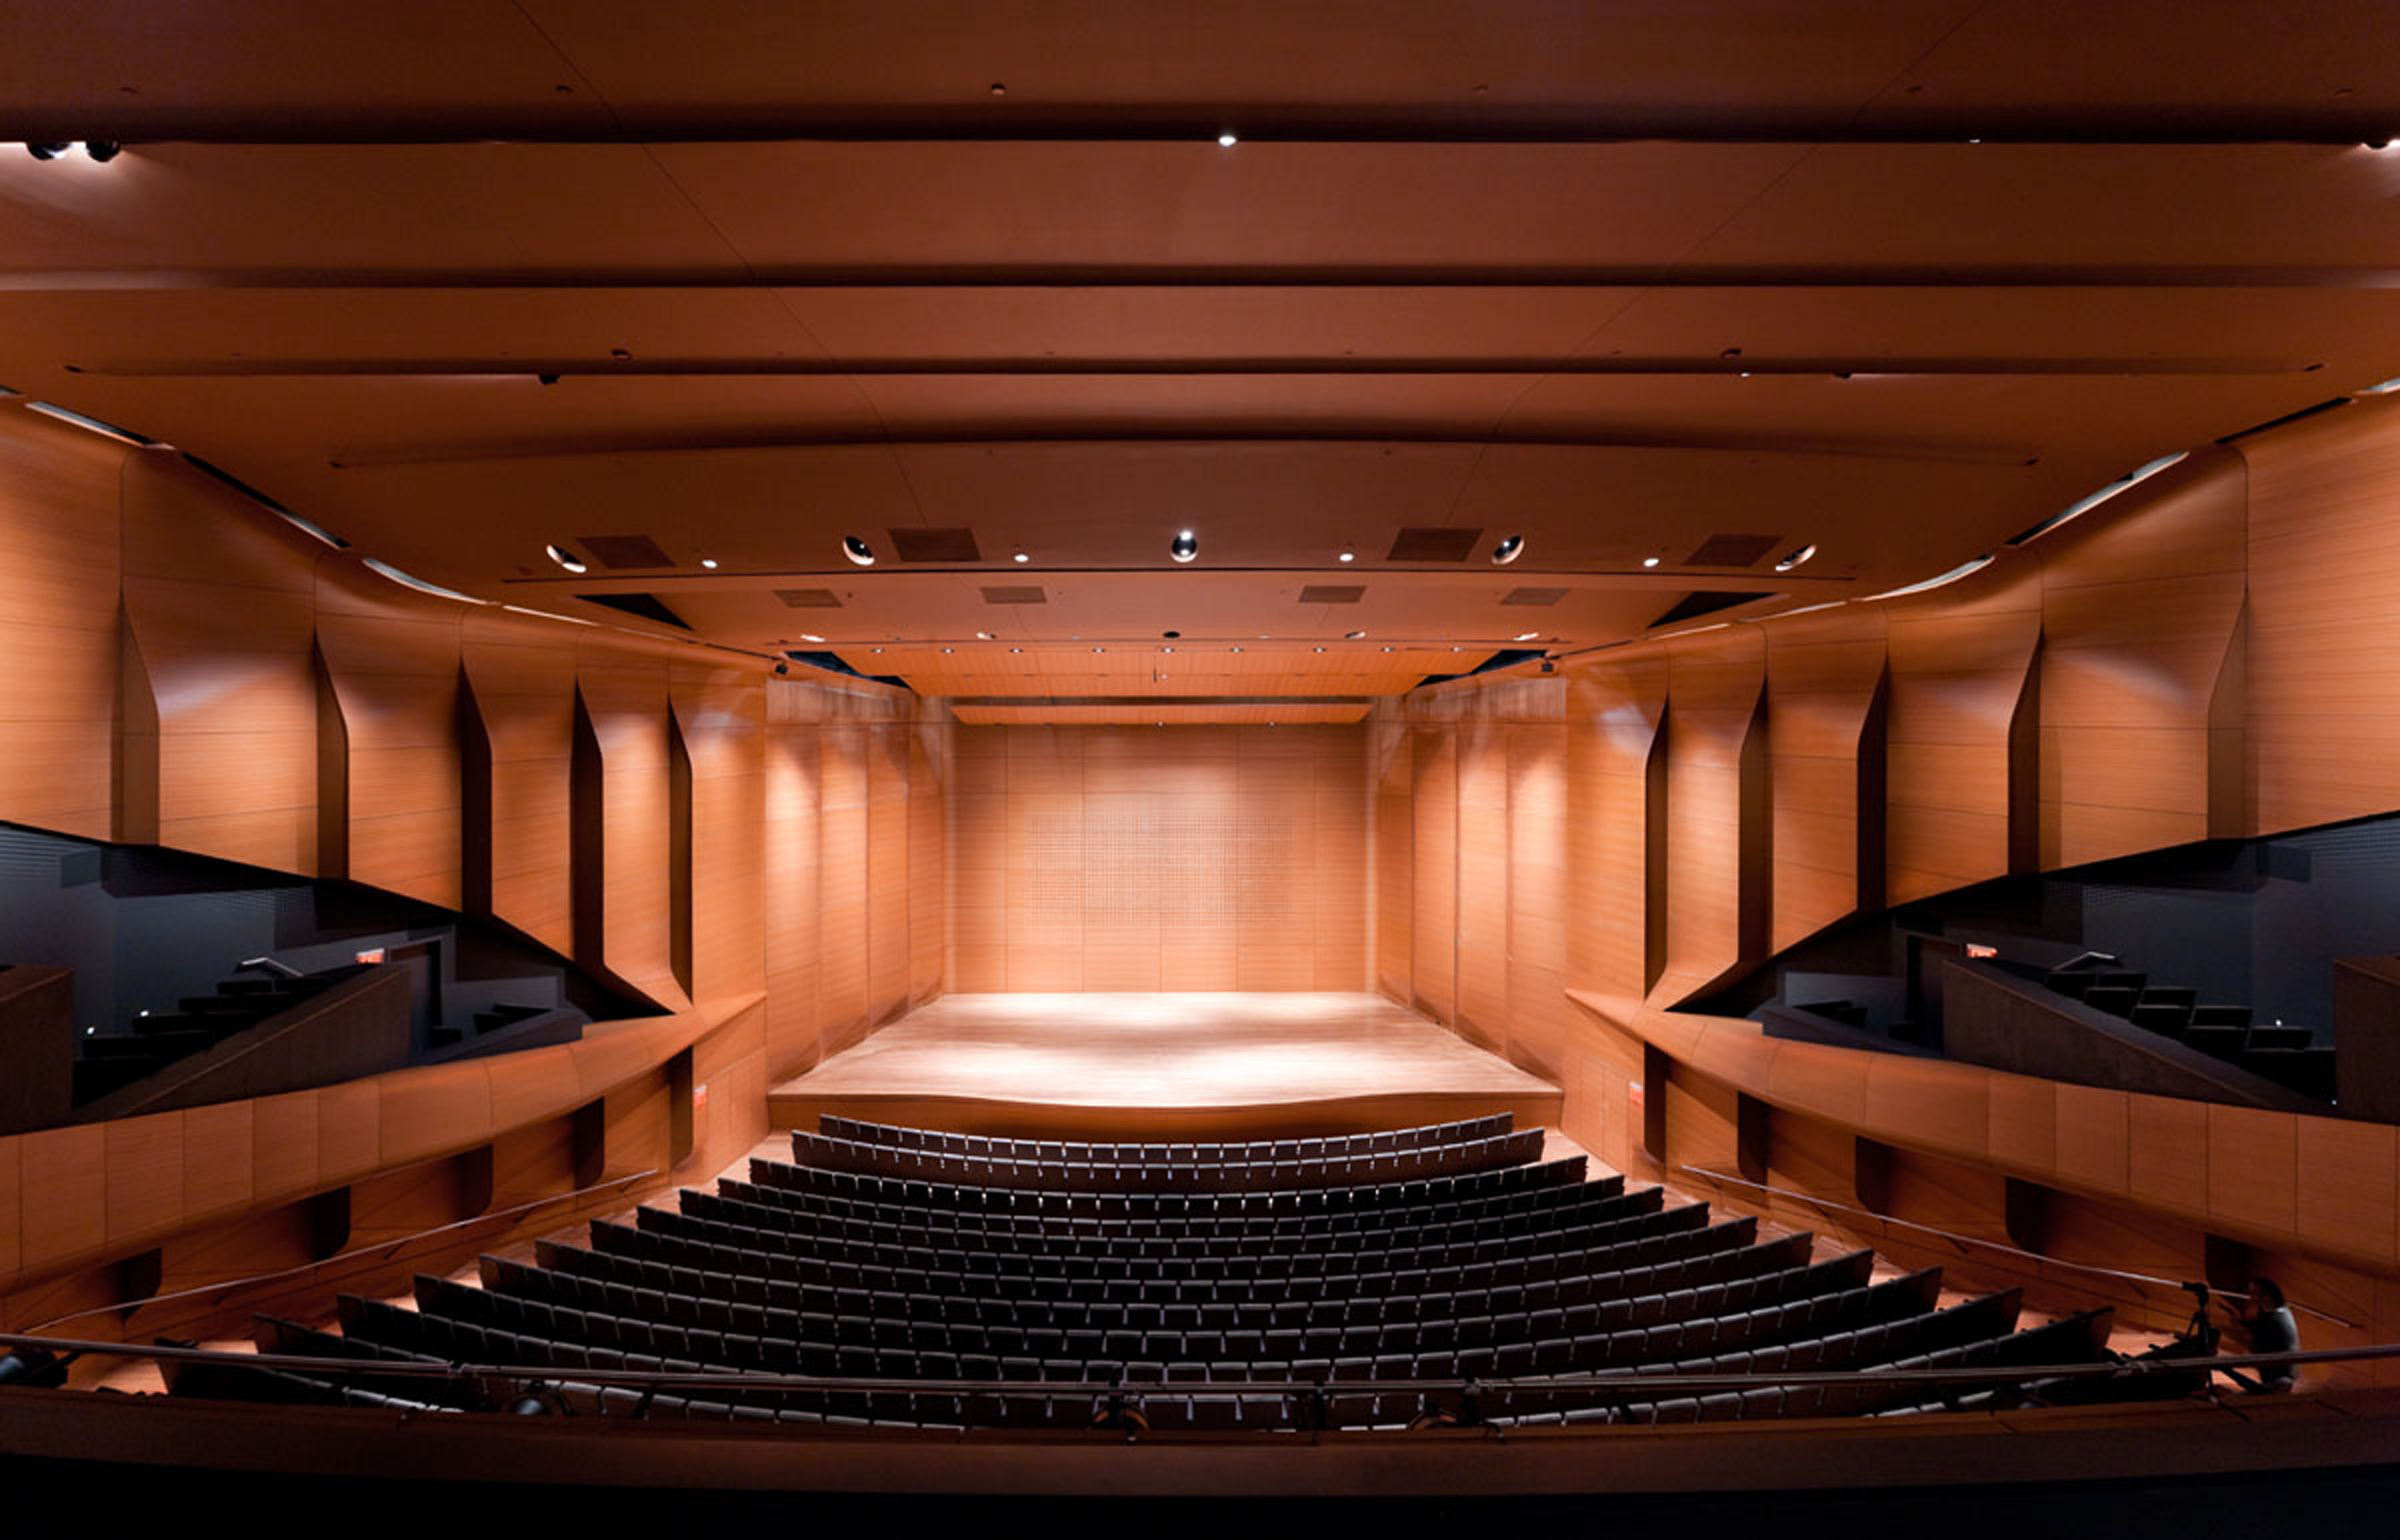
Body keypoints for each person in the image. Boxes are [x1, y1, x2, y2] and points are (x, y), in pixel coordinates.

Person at [2217, 1277, 2299, 1394]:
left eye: (2254, 1293)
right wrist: (2240, 1322)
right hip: (2276, 1378)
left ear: (2266, 1296)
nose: (2250, 1297)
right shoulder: (2273, 1312)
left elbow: (2256, 1346)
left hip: (2277, 1382)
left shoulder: (2275, 1321)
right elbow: (2258, 1326)